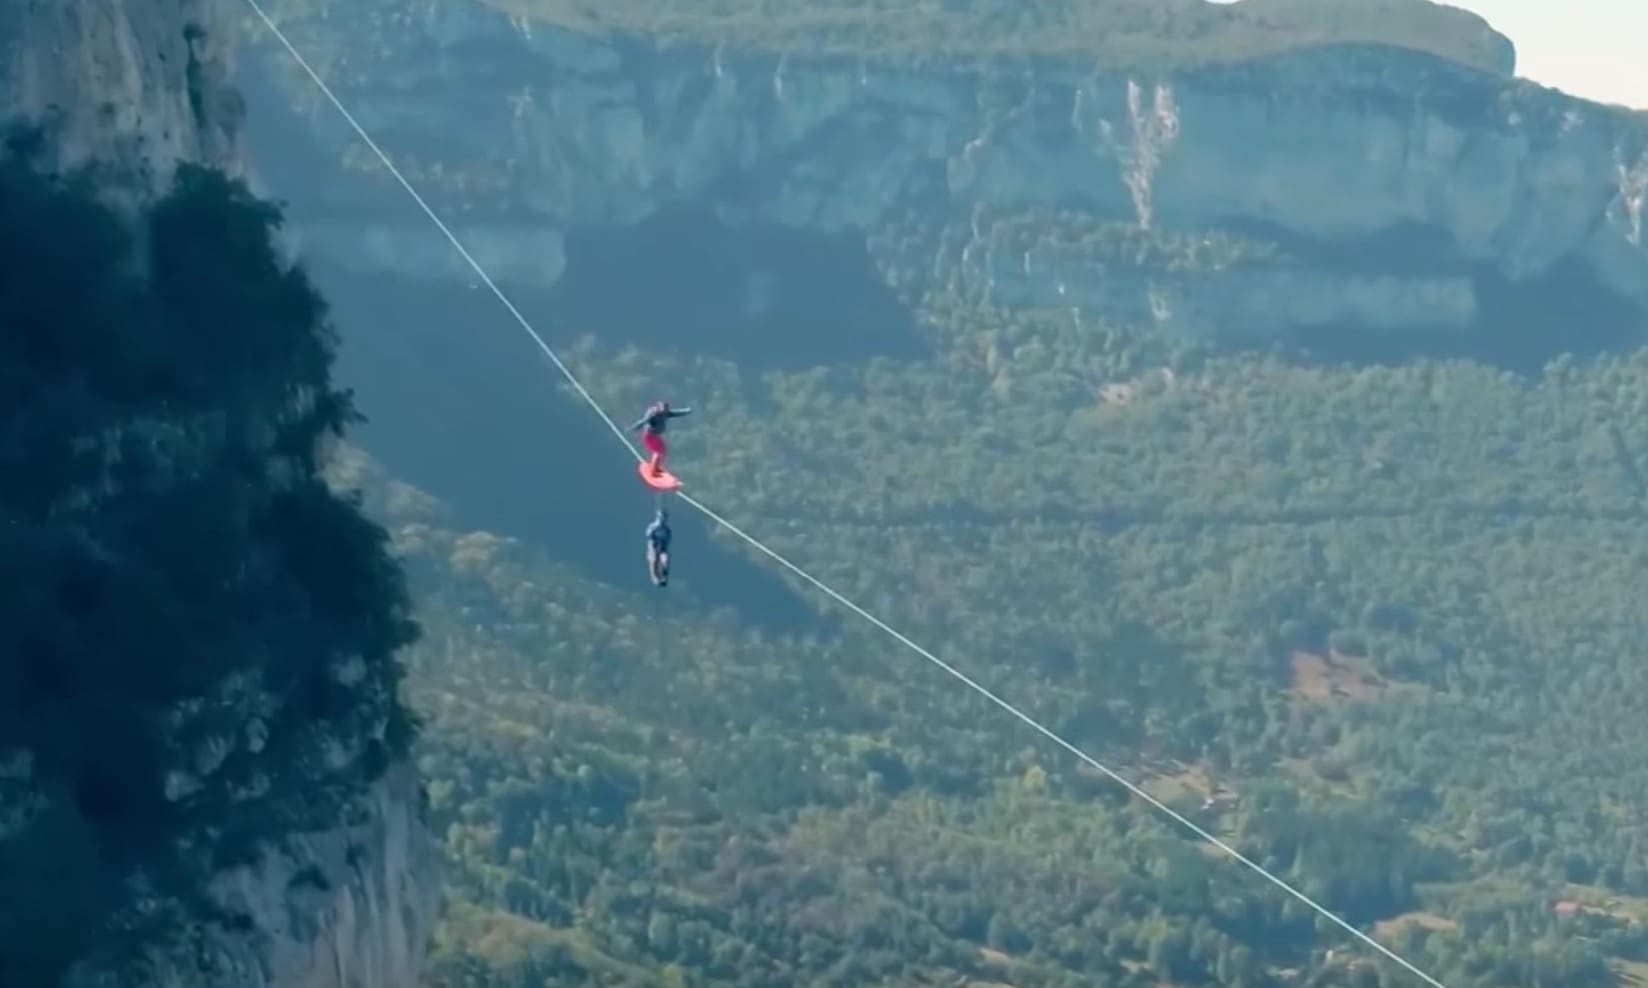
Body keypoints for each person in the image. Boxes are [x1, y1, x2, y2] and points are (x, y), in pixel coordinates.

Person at [631, 400, 692, 477]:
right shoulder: (654, 415)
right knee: (658, 452)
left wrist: (687, 411)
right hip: (649, 436)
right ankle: (653, 471)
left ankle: (655, 467)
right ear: (660, 408)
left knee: (663, 449)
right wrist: (635, 427)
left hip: (654, 436)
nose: (665, 411)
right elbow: (643, 421)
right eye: (664, 409)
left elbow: (677, 413)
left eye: (666, 410)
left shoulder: (666, 413)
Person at [645, 508, 672, 587]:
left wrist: (664, 548)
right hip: (653, 547)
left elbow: (668, 539)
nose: (662, 519)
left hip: (662, 547)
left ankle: (664, 577)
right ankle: (655, 578)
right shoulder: (652, 527)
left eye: (664, 517)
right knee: (654, 560)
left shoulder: (667, 529)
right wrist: (653, 549)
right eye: (661, 517)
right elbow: (649, 539)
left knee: (665, 560)